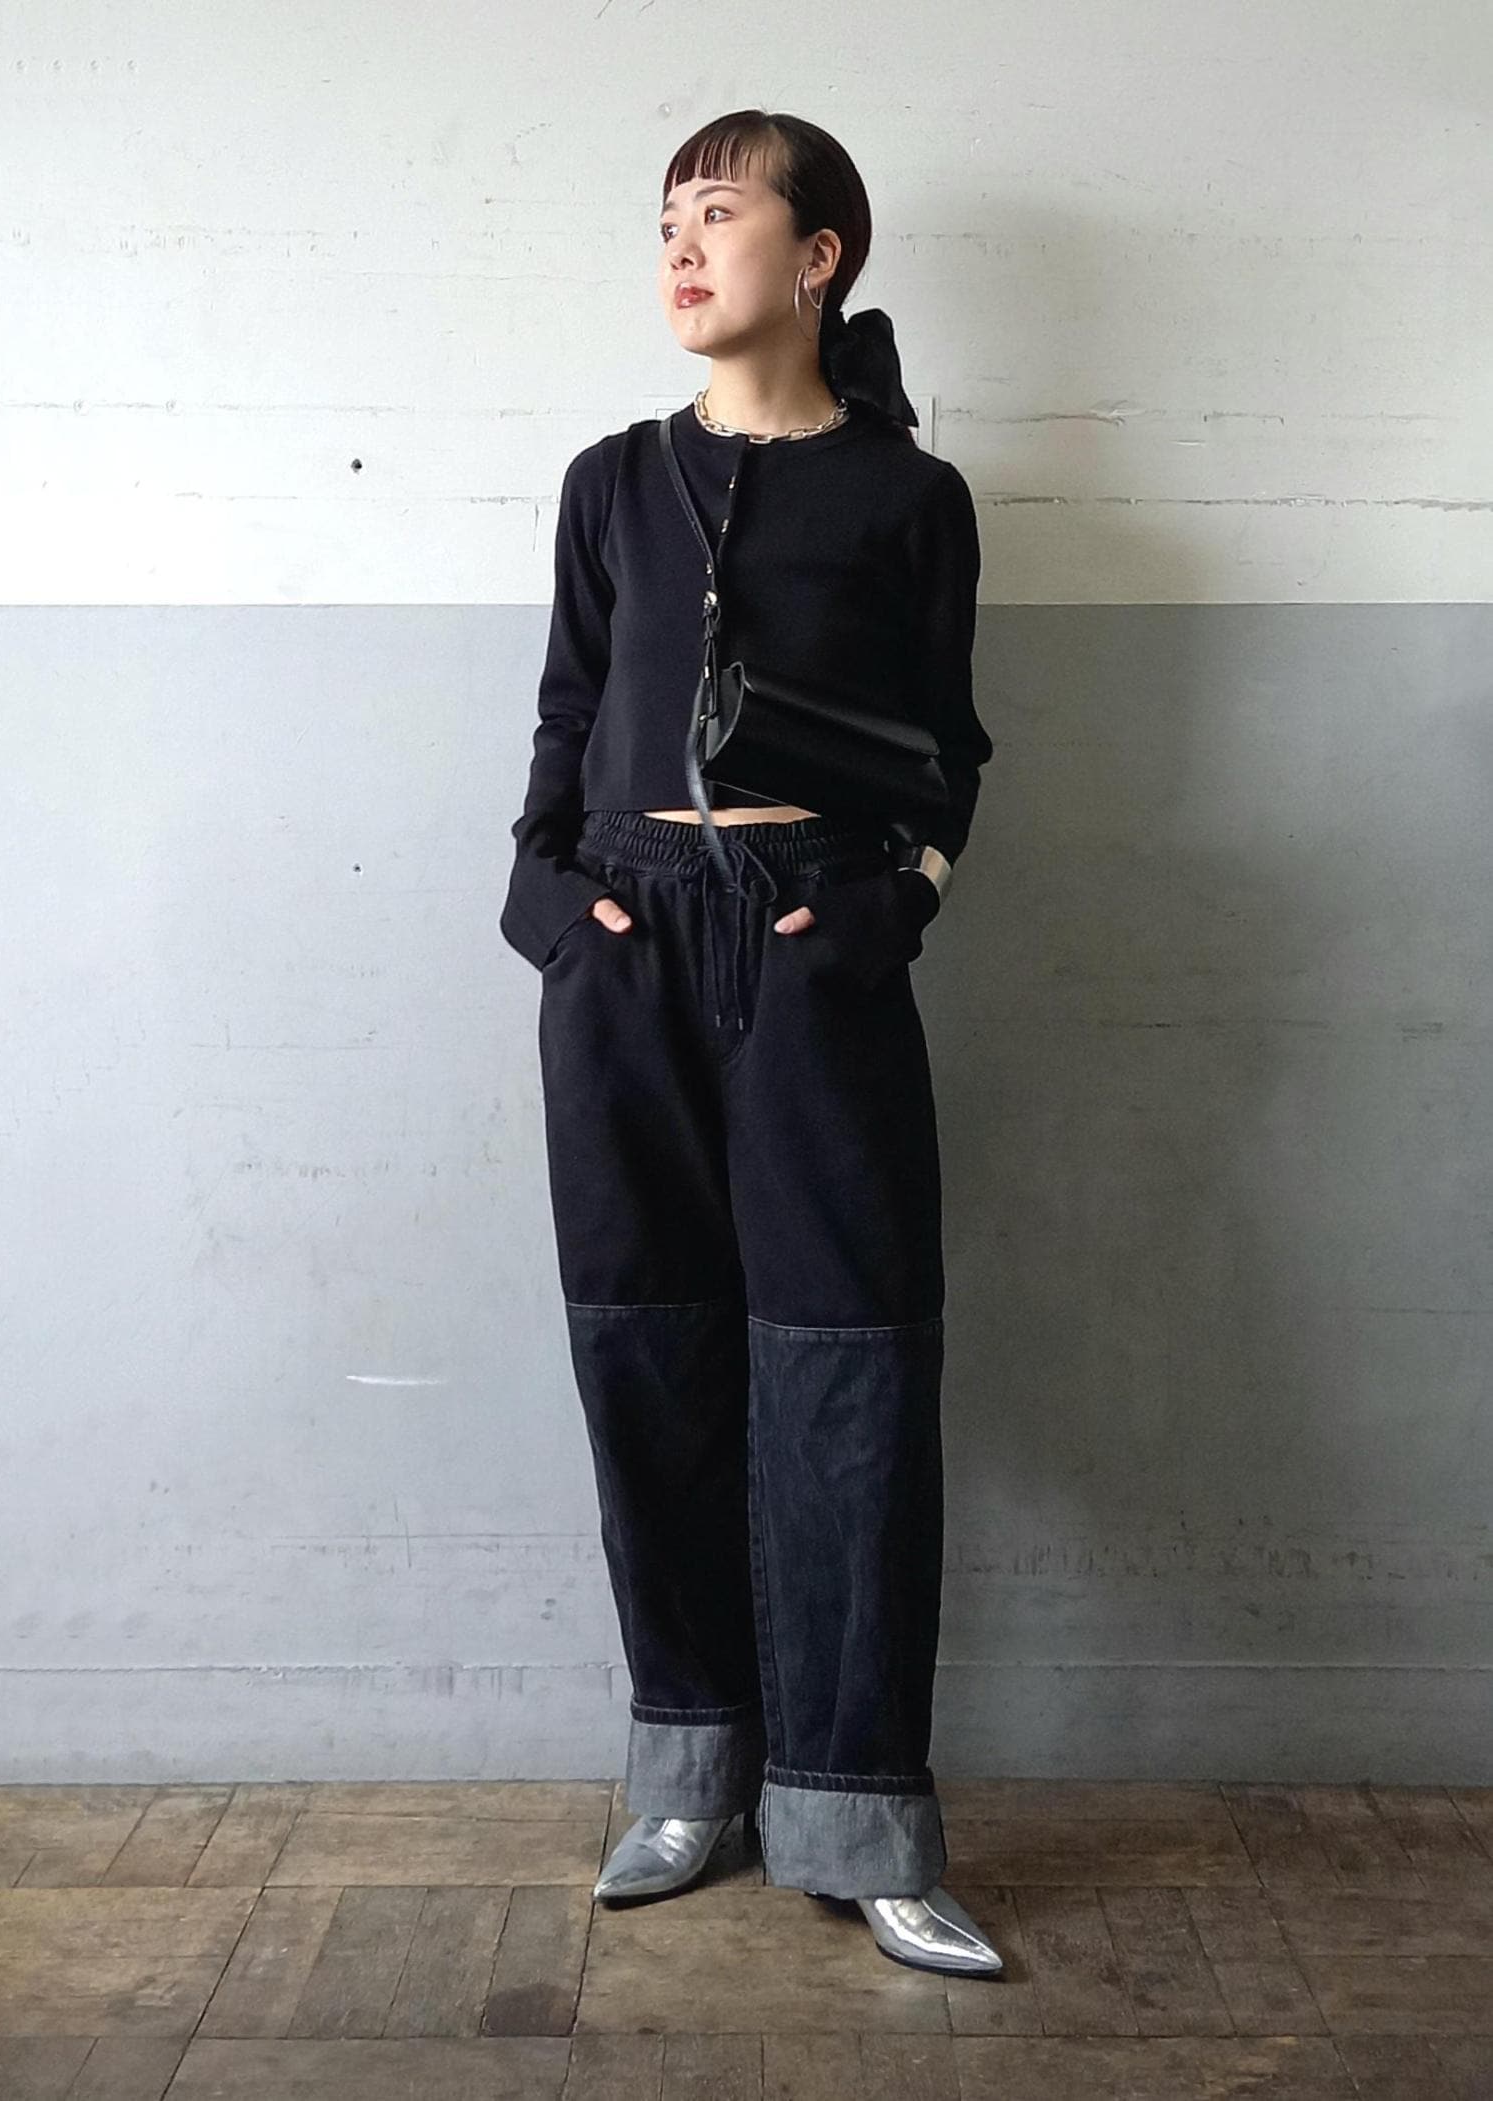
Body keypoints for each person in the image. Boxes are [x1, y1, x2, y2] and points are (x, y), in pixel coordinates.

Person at [499, 108, 1002, 1979]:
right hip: (625, 949)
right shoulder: (612, 483)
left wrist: (883, 913)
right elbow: (562, 725)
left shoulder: (910, 498)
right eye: (666, 223)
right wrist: (556, 915)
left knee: (849, 1373)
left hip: (813, 954)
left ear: (821, 255)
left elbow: (948, 757)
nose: (683, 250)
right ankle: (687, 1770)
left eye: (719, 214)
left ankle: (859, 1810)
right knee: (649, 1355)